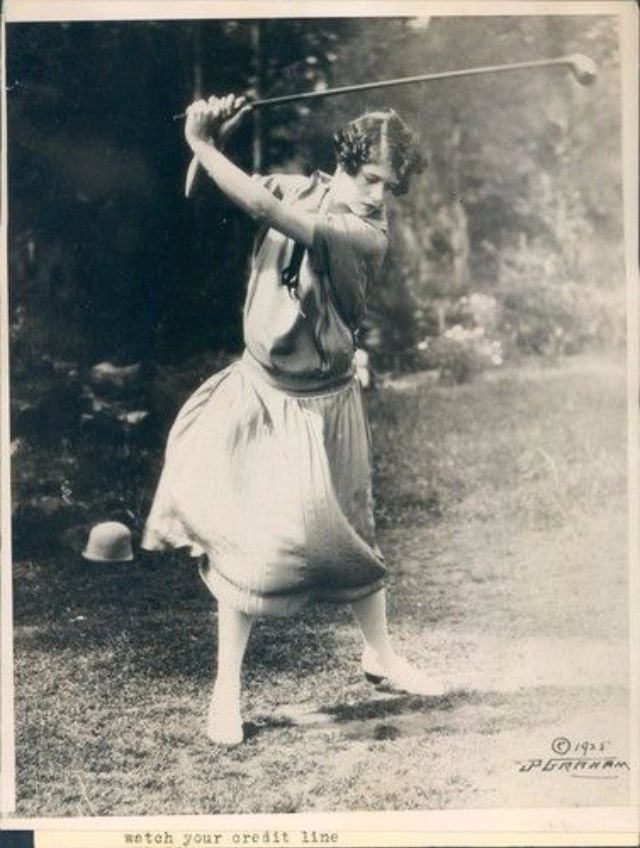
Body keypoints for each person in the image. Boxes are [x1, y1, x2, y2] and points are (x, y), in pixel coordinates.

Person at [143, 94, 446, 746]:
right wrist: (211, 141)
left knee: (349, 535)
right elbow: (202, 195)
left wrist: (202, 143)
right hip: (257, 388)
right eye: (370, 180)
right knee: (239, 536)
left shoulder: (364, 236)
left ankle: (381, 656)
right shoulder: (297, 185)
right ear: (348, 161)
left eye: (390, 189)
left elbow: (258, 206)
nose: (377, 197)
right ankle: (226, 690)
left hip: (323, 406)